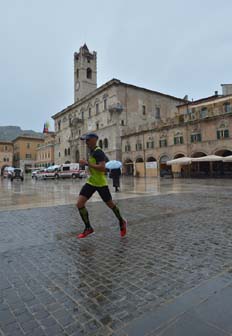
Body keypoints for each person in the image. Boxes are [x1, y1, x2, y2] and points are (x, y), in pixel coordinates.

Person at [77, 132, 127, 239]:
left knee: (110, 205)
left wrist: (87, 163)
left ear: (94, 140)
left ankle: (122, 221)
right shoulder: (92, 151)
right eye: (85, 140)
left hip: (100, 183)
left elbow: (102, 168)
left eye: (88, 140)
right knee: (79, 204)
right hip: (91, 182)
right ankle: (88, 228)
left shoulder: (98, 152)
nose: (86, 142)